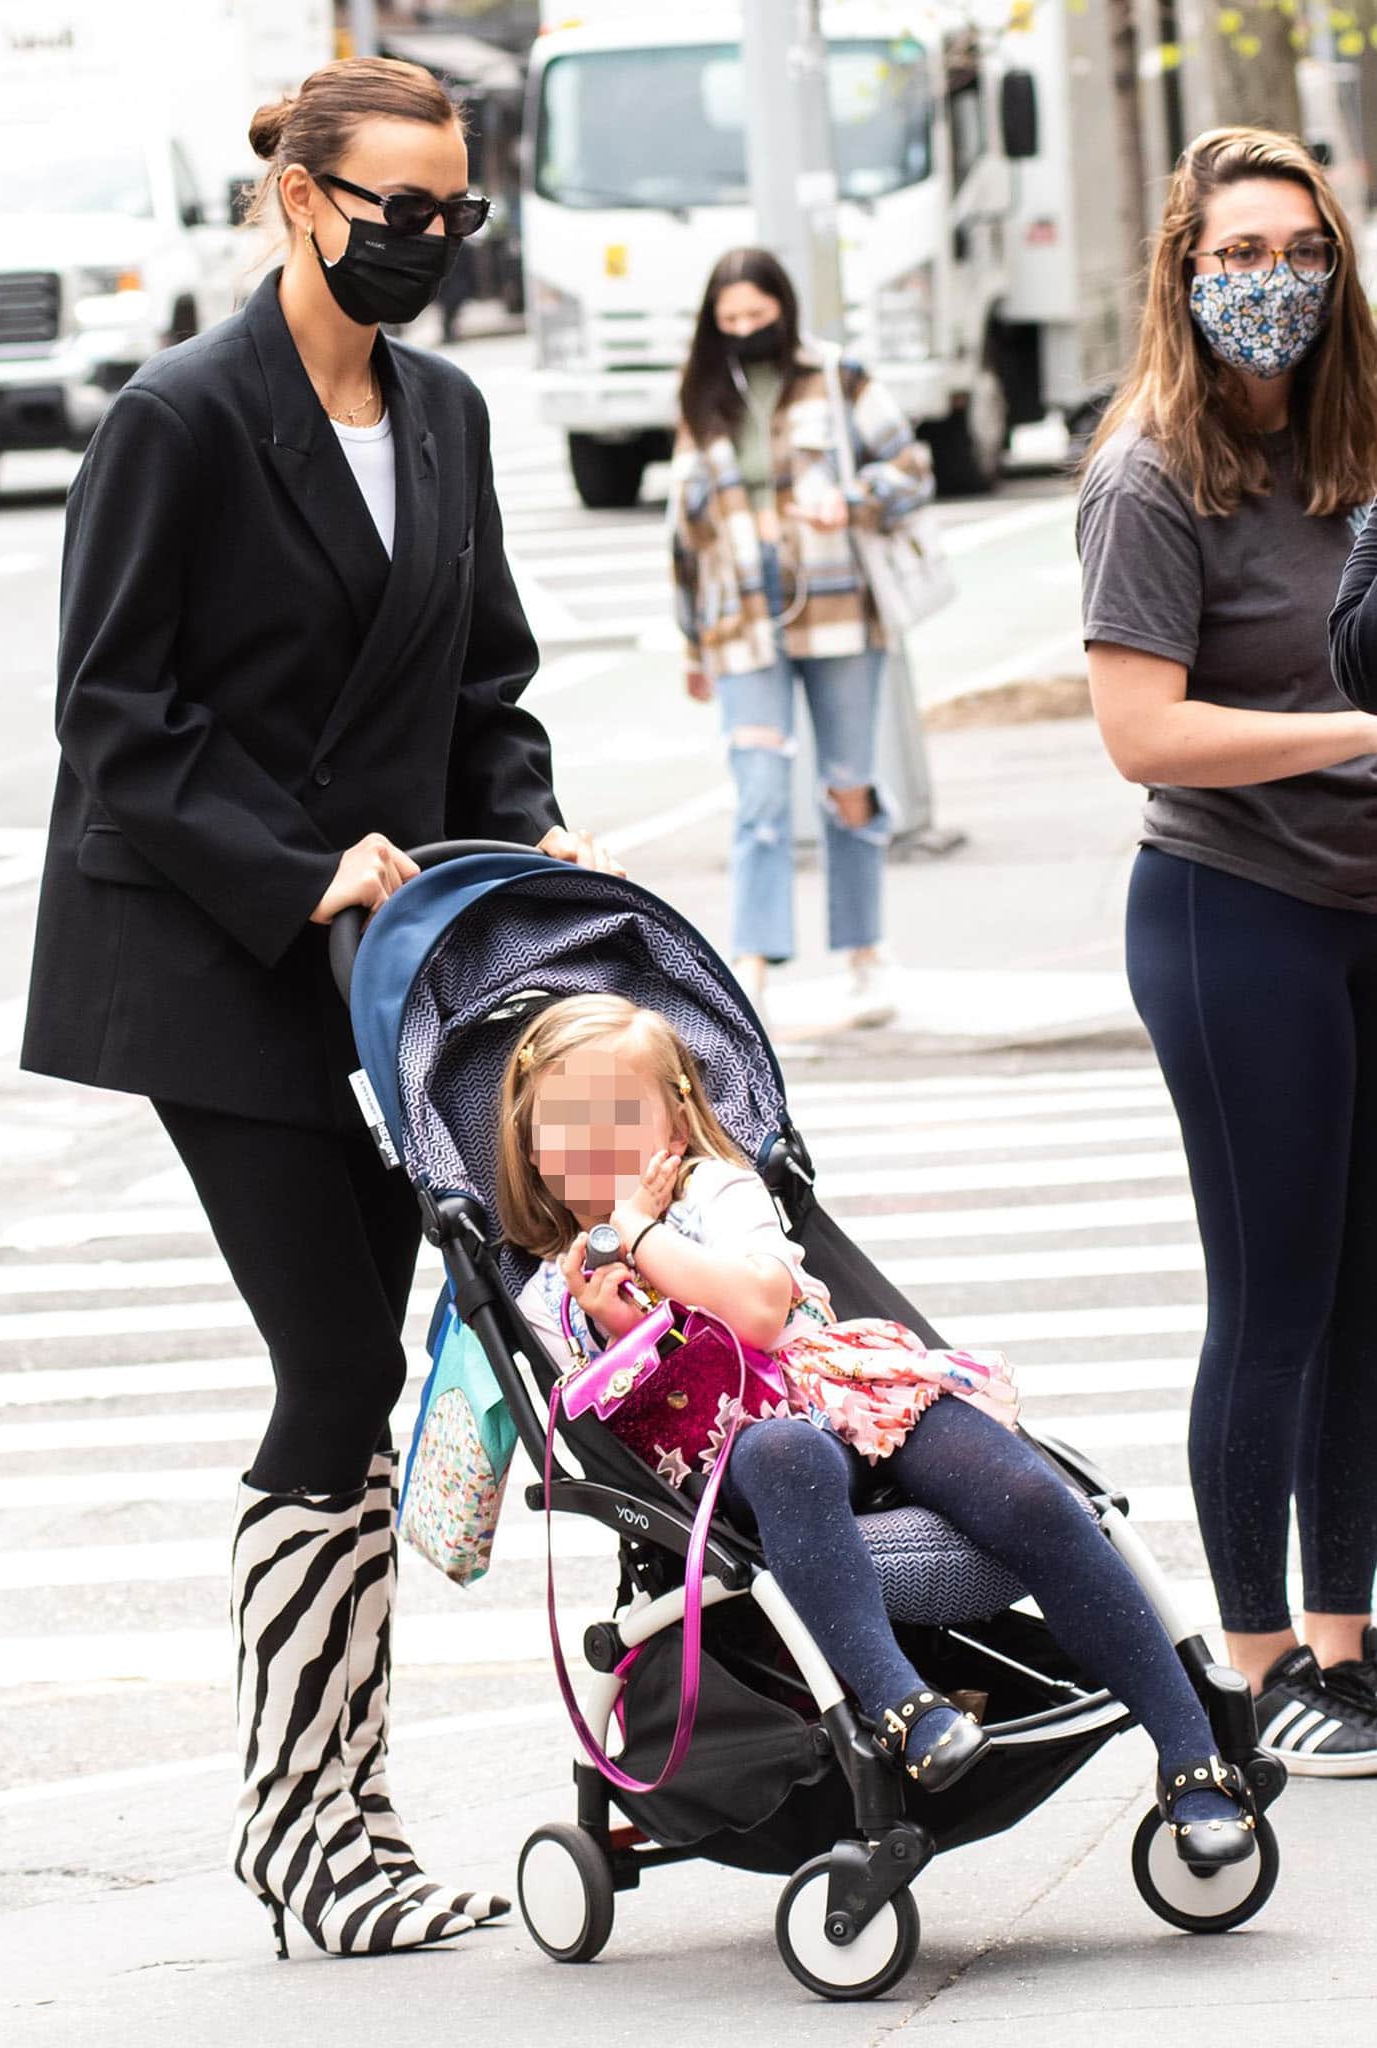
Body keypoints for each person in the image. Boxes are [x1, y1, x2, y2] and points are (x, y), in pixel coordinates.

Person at [21, 56, 619, 1959]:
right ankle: (306, 1826)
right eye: (403, 214)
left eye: (462, 217)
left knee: (374, 1374)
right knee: (337, 1371)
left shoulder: (442, 414)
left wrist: (526, 833)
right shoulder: (177, 421)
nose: (435, 246)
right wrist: (307, 866)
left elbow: (484, 687)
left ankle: (341, 1812)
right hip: (220, 959)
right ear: (301, 200)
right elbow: (117, 717)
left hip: (402, 973)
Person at [498, 994, 1261, 1868]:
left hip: (841, 1389)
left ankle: (1190, 1754)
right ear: (530, 1146)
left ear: (674, 1119)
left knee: (1025, 1486)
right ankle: (902, 1704)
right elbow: (611, 1432)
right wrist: (611, 1329)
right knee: (786, 1451)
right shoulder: (546, 1296)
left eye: (618, 1118)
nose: (594, 1144)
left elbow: (754, 1309)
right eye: (567, 1125)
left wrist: (634, 1230)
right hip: (730, 1459)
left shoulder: (716, 1193)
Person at [1077, 126, 1377, 1771]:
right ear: (1183, 275)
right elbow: (1140, 729)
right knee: (1270, 1296)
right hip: (1228, 911)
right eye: (1237, 257)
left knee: (1364, 1301)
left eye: (1298, 253)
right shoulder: (1145, 473)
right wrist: (1354, 729)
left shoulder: (1361, 447)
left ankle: (1348, 1639)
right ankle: (1257, 1669)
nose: (1272, 284)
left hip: (1361, 906)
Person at [670, 247, 933, 1025]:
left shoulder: (838, 375)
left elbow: (911, 470)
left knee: (848, 785)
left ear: (783, 309)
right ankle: (750, 965)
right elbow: (683, 534)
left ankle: (863, 953)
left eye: (757, 316)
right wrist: (691, 643)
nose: (746, 331)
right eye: (731, 321)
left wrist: (850, 498)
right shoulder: (699, 396)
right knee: (757, 794)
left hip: (842, 612)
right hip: (739, 622)